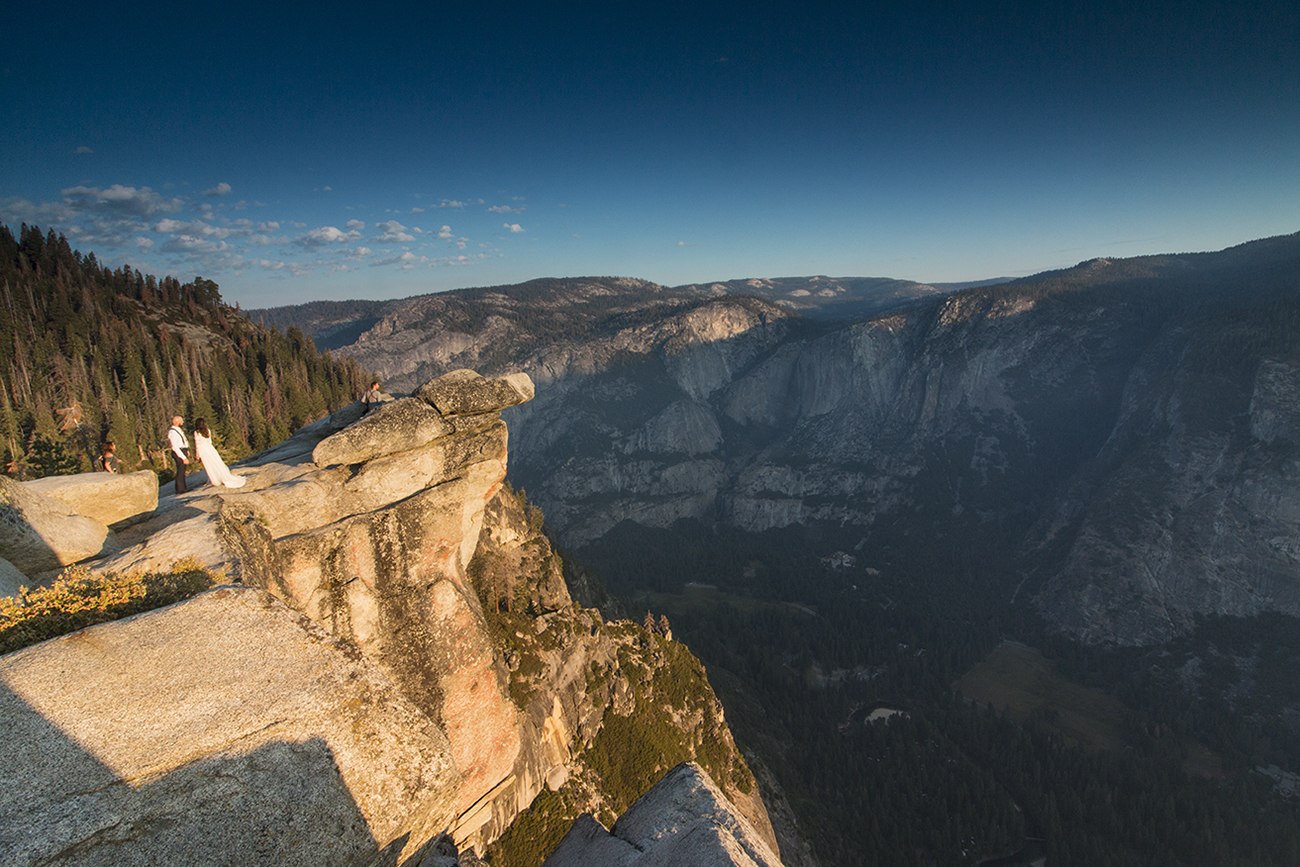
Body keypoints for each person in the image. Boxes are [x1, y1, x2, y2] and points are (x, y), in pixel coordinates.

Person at [193, 418, 246, 488]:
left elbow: (198, 444)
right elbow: (209, 441)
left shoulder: (197, 433)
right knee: (215, 463)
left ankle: (213, 480)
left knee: (209, 465)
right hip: (210, 448)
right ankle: (214, 478)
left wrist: (197, 455)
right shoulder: (207, 431)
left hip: (203, 450)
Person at [167, 416, 190, 493]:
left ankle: (183, 487)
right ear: (177, 422)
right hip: (178, 452)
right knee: (180, 470)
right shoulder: (172, 432)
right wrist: (183, 457)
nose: (182, 423)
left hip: (182, 450)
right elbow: (175, 447)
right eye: (181, 421)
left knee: (182, 470)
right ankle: (180, 489)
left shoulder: (177, 430)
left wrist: (186, 450)